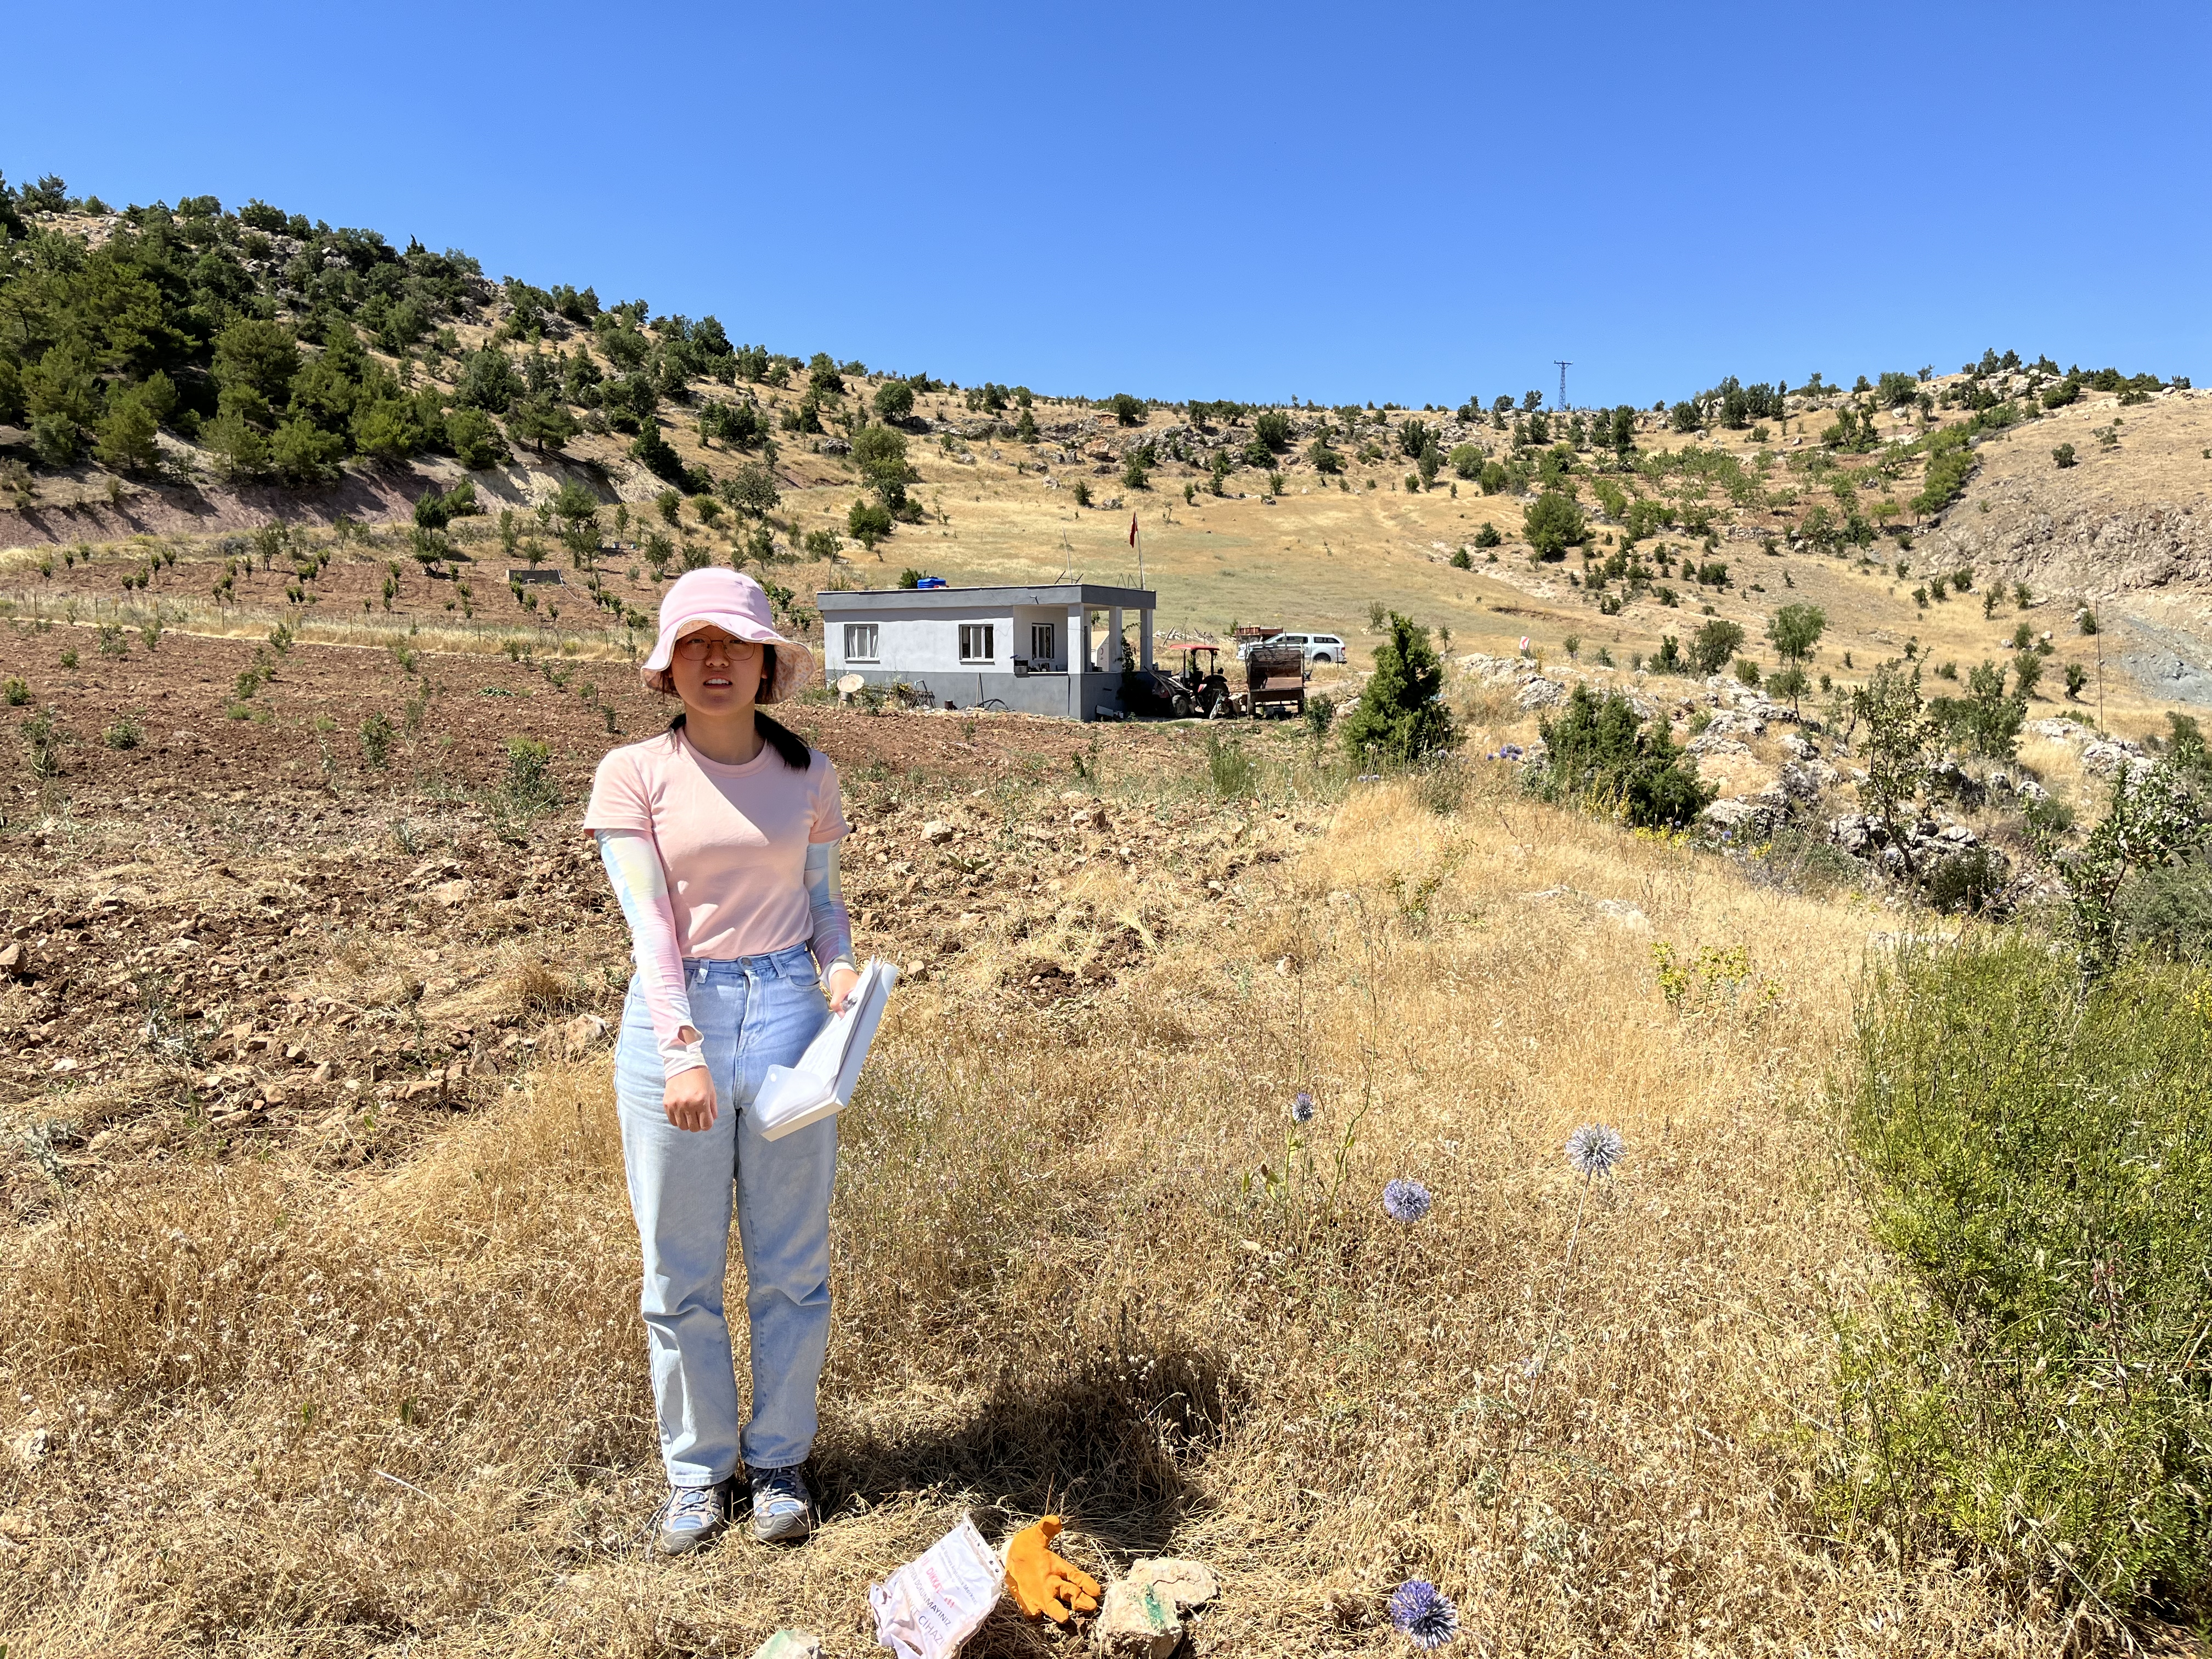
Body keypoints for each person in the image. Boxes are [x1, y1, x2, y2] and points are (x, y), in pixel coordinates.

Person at [583, 567, 856, 1555]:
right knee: (679, 1270)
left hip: (788, 1018)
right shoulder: (633, 774)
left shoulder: (809, 775)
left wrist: (840, 973)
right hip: (677, 1020)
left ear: (766, 665)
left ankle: (779, 1461)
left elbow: (822, 903)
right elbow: (651, 926)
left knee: (792, 1264)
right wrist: (683, 1052)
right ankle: (698, 1474)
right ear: (667, 665)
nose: (714, 661)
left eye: (734, 644)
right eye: (694, 643)